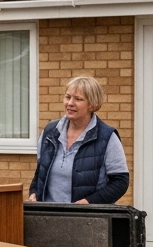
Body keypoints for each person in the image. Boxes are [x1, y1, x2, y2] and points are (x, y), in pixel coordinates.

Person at [29, 76, 129, 204]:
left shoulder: (107, 137)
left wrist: (89, 202)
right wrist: (34, 194)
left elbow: (120, 182)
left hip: (88, 219)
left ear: (92, 104)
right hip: (49, 217)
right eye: (67, 97)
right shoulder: (49, 132)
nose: (70, 103)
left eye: (78, 99)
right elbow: (40, 174)